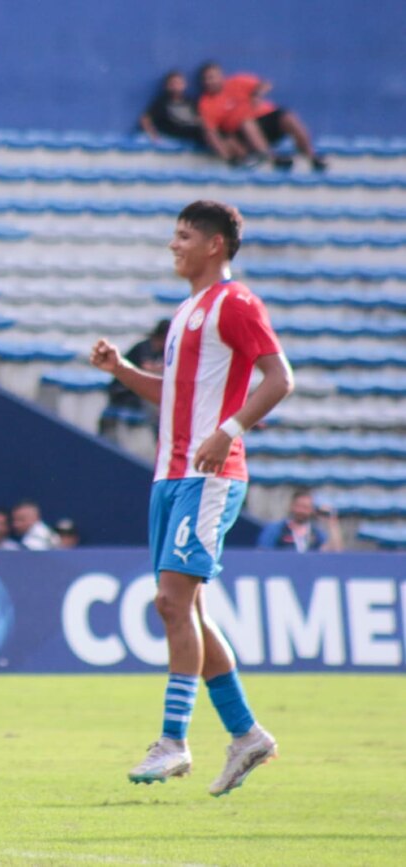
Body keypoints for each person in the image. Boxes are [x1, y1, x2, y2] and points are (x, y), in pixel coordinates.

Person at [90, 199, 294, 797]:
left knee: (170, 602)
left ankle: (173, 741)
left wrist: (226, 432)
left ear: (214, 245)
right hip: (170, 474)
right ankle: (246, 735)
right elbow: (174, 393)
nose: (173, 245)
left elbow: (280, 377)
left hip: (210, 471)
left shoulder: (236, 303)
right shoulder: (185, 313)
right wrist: (122, 369)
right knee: (189, 611)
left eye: (183, 236)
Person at [197, 62, 326, 172]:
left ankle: (311, 156)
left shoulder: (237, 81)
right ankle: (273, 159)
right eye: (207, 79)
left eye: (213, 77)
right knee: (246, 123)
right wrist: (227, 157)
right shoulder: (207, 103)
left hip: (264, 118)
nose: (211, 81)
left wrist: (256, 95)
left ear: (221, 76)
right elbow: (210, 132)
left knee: (288, 117)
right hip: (243, 133)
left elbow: (264, 84)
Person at [101, 318, 169, 440]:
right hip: (125, 391)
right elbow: (146, 368)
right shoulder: (144, 346)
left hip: (140, 390)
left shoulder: (163, 351)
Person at [256, 489, 342, 552]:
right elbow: (263, 554)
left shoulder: (315, 533)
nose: (301, 511)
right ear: (291, 506)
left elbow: (334, 552)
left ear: (312, 510)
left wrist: (332, 523)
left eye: (306, 507)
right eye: (299, 506)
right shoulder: (276, 529)